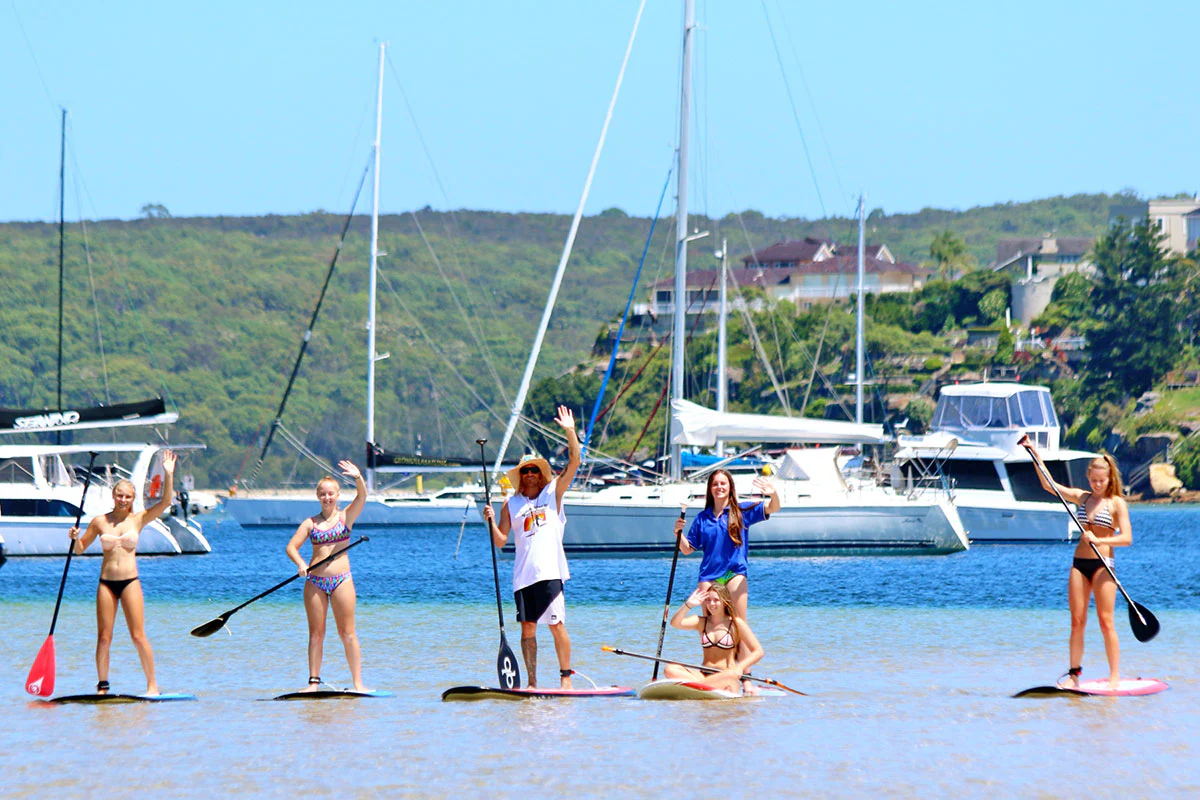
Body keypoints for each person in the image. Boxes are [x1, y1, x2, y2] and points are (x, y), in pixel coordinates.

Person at [483, 405, 581, 689]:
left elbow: (574, 461)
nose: (529, 475)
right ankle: (532, 682)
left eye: (534, 471)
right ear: (520, 476)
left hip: (550, 573)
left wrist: (569, 431)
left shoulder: (553, 493)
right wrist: (489, 522)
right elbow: (501, 541)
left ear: (541, 475)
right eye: (524, 471)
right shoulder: (510, 504)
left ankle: (566, 680)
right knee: (528, 629)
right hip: (523, 577)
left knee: (556, 625)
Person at [1023, 438, 1132, 690]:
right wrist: (1034, 453)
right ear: (1088, 478)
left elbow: (1127, 538)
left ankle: (1114, 676)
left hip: (1104, 566)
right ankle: (1074, 675)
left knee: (1106, 621)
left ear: (1109, 478)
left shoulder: (1117, 503)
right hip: (1079, 564)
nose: (1096, 485)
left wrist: (1099, 537)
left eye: (1101, 481)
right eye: (1093, 480)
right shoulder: (1081, 498)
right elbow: (1049, 485)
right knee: (1077, 621)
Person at [68, 450, 177, 696]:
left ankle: (152, 685)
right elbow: (80, 550)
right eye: (120, 495)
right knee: (104, 637)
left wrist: (168, 475)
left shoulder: (138, 519)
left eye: (127, 496)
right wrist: (75, 538)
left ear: (132, 498)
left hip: (130, 582)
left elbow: (165, 503)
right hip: (106, 583)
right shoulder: (99, 521)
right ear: (113, 496)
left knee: (138, 635)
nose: (123, 500)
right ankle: (103, 687)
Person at [285, 460, 368, 692]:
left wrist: (358, 477)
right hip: (315, 582)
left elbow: (362, 498)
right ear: (318, 496)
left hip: (342, 580)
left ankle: (358, 683)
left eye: (331, 494)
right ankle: (313, 683)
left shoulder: (346, 517)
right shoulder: (310, 523)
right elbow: (291, 547)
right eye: (323, 494)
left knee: (347, 633)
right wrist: (301, 564)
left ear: (337, 495)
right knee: (316, 634)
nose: (327, 497)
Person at [664, 582, 764, 694]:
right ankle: (706, 687)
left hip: (726, 675)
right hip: (703, 674)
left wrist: (740, 667)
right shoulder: (701, 622)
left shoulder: (736, 623)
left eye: (716, 600)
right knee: (670, 669)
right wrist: (688, 605)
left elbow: (758, 651)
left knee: (730, 675)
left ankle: (696, 687)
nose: (711, 604)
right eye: (708, 600)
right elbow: (675, 623)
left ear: (725, 601)